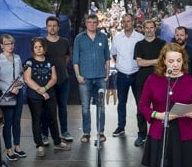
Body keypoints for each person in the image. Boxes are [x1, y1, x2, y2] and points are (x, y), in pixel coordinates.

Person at [24, 38, 71, 156]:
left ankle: (57, 142)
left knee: (53, 118)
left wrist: (45, 89)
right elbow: (27, 79)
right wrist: (40, 91)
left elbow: (54, 78)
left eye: (40, 47)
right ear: (33, 49)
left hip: (49, 94)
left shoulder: (50, 62)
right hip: (34, 96)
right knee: (37, 119)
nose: (38, 49)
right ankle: (39, 145)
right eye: (36, 47)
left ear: (44, 48)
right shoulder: (29, 62)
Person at [73, 14, 110, 143]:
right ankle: (86, 133)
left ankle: (100, 132)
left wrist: (107, 74)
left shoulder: (103, 37)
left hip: (100, 78)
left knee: (101, 107)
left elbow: (107, 57)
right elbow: (75, 59)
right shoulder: (79, 38)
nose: (92, 24)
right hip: (85, 79)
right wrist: (78, 75)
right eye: (89, 22)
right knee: (85, 107)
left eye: (94, 22)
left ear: (97, 23)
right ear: (86, 23)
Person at [0, 34, 26, 161]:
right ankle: (9, 149)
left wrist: (20, 83)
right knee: (8, 122)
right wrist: (9, 88)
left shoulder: (17, 58)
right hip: (6, 95)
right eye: (7, 44)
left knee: (17, 121)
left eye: (11, 43)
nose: (10, 46)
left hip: (19, 92)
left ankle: (17, 146)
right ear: (1, 46)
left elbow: (21, 74)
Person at [110, 13, 144, 138]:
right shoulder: (117, 38)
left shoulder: (140, 37)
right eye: (124, 21)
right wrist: (121, 65)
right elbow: (114, 55)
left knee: (140, 103)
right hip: (122, 75)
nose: (126, 23)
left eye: (128, 21)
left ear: (133, 22)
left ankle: (142, 131)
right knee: (121, 102)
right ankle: (121, 127)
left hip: (137, 74)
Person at [133, 19, 166, 146]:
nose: (149, 30)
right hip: (142, 81)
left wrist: (149, 61)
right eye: (146, 27)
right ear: (143, 29)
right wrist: (157, 60)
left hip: (160, 80)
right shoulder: (139, 44)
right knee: (141, 109)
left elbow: (164, 61)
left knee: (160, 109)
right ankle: (141, 134)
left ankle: (158, 134)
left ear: (155, 28)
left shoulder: (162, 43)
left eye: (151, 27)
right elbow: (140, 62)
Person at [42, 16, 73, 143]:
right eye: (50, 25)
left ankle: (64, 131)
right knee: (47, 109)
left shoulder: (64, 42)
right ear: (46, 27)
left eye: (54, 25)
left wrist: (61, 68)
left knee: (62, 107)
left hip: (63, 80)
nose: (52, 28)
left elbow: (67, 57)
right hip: (48, 82)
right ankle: (44, 134)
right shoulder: (42, 43)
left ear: (58, 27)